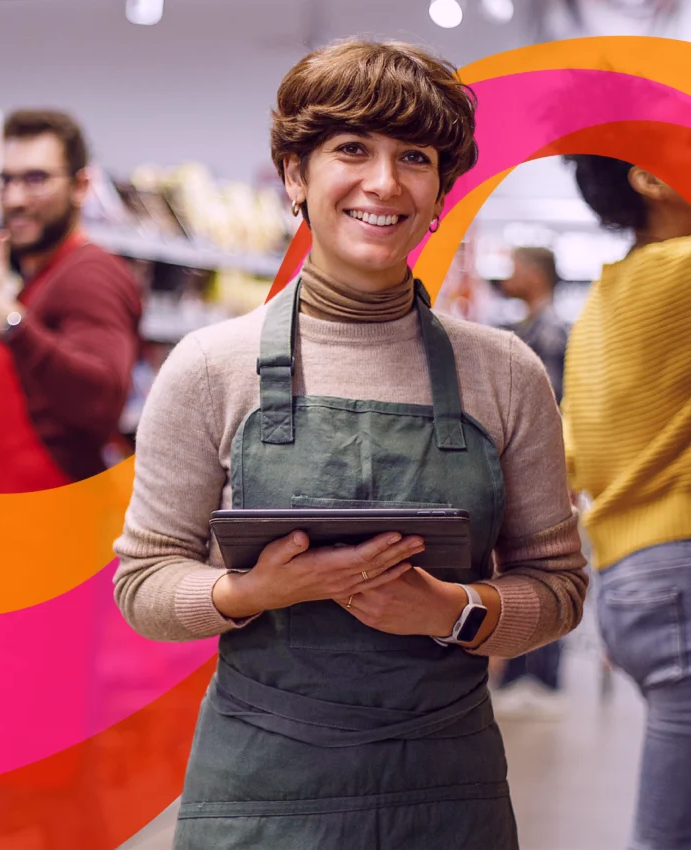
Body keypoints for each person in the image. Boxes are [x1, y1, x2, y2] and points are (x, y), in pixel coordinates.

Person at [113, 39, 588, 849]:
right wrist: (252, 593)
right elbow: (144, 583)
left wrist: (452, 610)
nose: (383, 182)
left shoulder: (503, 372)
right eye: (351, 149)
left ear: (440, 192)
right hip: (261, 790)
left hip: (447, 789)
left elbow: (560, 588)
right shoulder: (209, 368)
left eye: (415, 156)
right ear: (296, 177)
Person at [561, 152, 691, 850]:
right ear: (650, 178)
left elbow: (572, 448)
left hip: (634, 577)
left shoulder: (606, 297)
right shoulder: (684, 272)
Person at [0, 109, 143, 493]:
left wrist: (5, 318)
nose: (14, 198)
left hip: (60, 535)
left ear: (81, 186)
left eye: (36, 180)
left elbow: (101, 399)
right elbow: (16, 419)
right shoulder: (38, 281)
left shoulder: (91, 274)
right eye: (5, 180)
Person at [493, 246, 570, 718]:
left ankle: (539, 676)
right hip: (520, 465)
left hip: (543, 468)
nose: (508, 276)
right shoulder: (523, 330)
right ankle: (521, 670)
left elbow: (554, 413)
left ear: (537, 275)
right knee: (518, 564)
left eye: (517, 268)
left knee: (543, 560)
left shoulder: (551, 332)